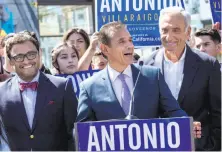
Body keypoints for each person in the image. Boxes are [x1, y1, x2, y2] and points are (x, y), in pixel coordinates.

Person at [76, 21, 201, 138]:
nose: (130, 46)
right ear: (105, 49)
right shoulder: (89, 87)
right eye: (122, 42)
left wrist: (187, 124)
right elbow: (82, 131)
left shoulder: (152, 76)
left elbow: (173, 111)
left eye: (130, 40)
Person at [141, 7, 221, 151]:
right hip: (158, 146)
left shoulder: (208, 65)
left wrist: (212, 146)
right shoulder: (144, 64)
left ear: (188, 32)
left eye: (176, 30)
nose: (169, 36)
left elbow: (218, 112)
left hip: (198, 147)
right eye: (164, 30)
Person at [0, 32, 78, 150]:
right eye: (19, 57)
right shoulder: (1, 91)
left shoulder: (62, 87)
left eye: (31, 54)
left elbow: (74, 133)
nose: (26, 61)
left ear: (39, 54)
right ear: (10, 61)